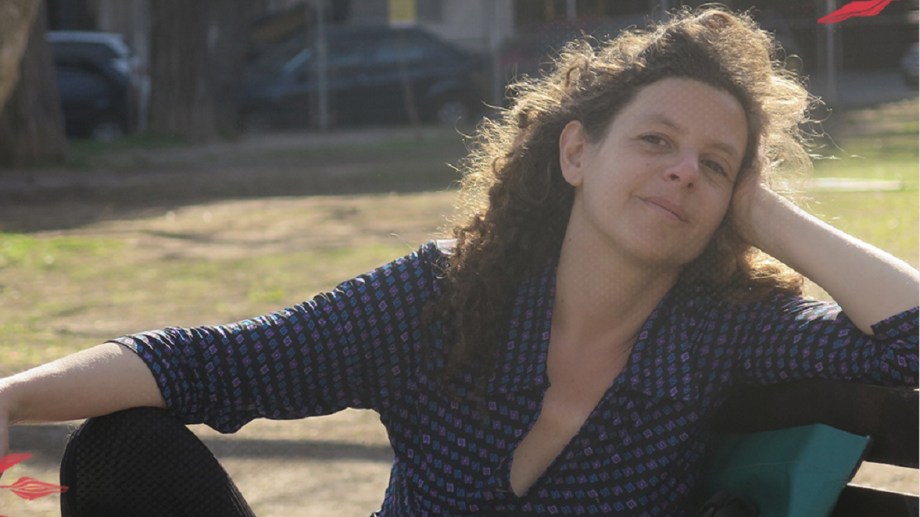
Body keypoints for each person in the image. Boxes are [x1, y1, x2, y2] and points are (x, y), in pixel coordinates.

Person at [1, 7, 917, 516]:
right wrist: (9, 400)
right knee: (121, 450)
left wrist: (762, 211)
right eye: (656, 140)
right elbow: (208, 362)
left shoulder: (725, 331)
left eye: (714, 166)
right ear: (576, 153)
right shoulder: (447, 294)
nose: (683, 169)